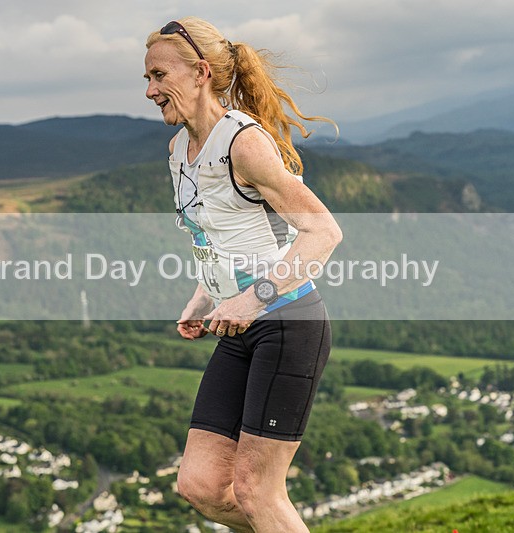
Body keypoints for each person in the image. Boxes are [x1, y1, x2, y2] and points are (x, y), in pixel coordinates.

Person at [144, 17, 342, 532]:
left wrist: (251, 299)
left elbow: (323, 232)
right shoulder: (179, 151)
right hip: (237, 327)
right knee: (202, 485)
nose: (150, 91)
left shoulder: (244, 143)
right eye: (148, 78)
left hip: (287, 323)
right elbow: (223, 237)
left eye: (160, 76)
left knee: (257, 491)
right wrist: (205, 296)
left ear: (201, 73)